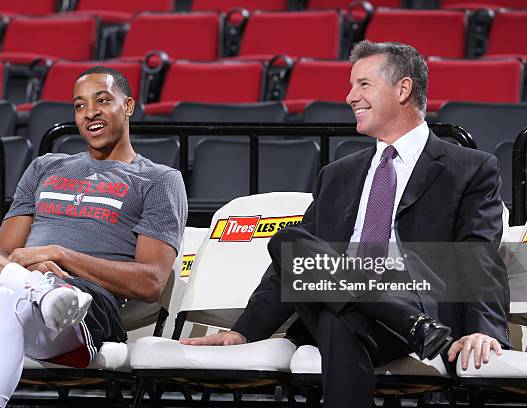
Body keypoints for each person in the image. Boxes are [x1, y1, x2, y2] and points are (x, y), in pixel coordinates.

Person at [181, 41, 510, 407]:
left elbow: (478, 255)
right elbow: (291, 267)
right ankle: (411, 325)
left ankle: (406, 318)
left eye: (363, 84)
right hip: (397, 320)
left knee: (338, 321)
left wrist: (483, 329)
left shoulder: (467, 168)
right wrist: (243, 333)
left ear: (403, 88)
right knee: (289, 241)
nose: (350, 96)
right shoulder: (336, 175)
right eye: (351, 86)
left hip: (417, 299)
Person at [0, 66, 187, 408]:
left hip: (79, 305)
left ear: (129, 106)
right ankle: (32, 286)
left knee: (6, 299)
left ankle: (36, 289)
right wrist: (28, 274)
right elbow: (2, 255)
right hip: (12, 285)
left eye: (102, 100)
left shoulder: (158, 180)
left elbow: (150, 282)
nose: (90, 112)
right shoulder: (45, 167)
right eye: (79, 105)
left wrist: (60, 255)